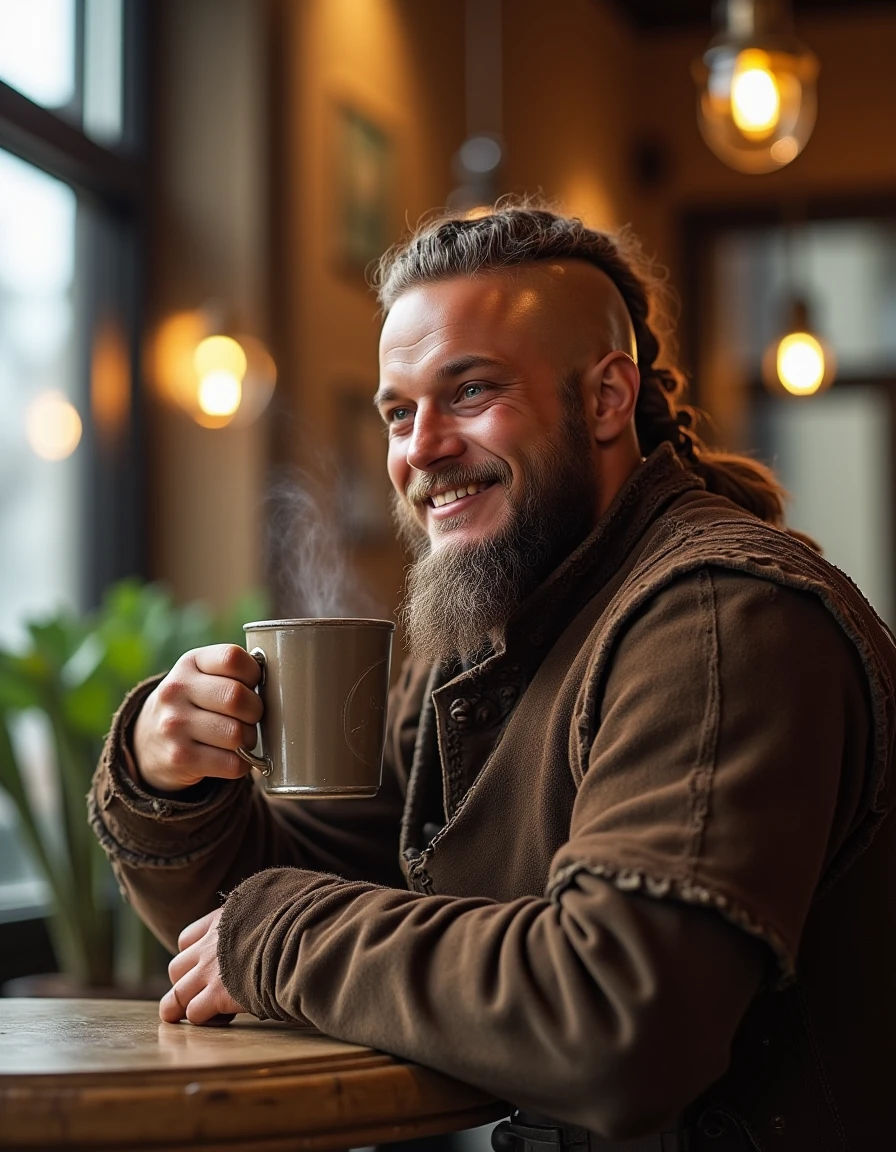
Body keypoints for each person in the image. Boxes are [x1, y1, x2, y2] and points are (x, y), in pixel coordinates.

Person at [90, 204, 896, 1150]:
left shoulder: (719, 619)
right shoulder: (480, 633)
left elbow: (620, 1019)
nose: (420, 447)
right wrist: (173, 785)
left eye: (469, 392)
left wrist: (277, 936)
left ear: (605, 399)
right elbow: (260, 917)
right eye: (399, 412)